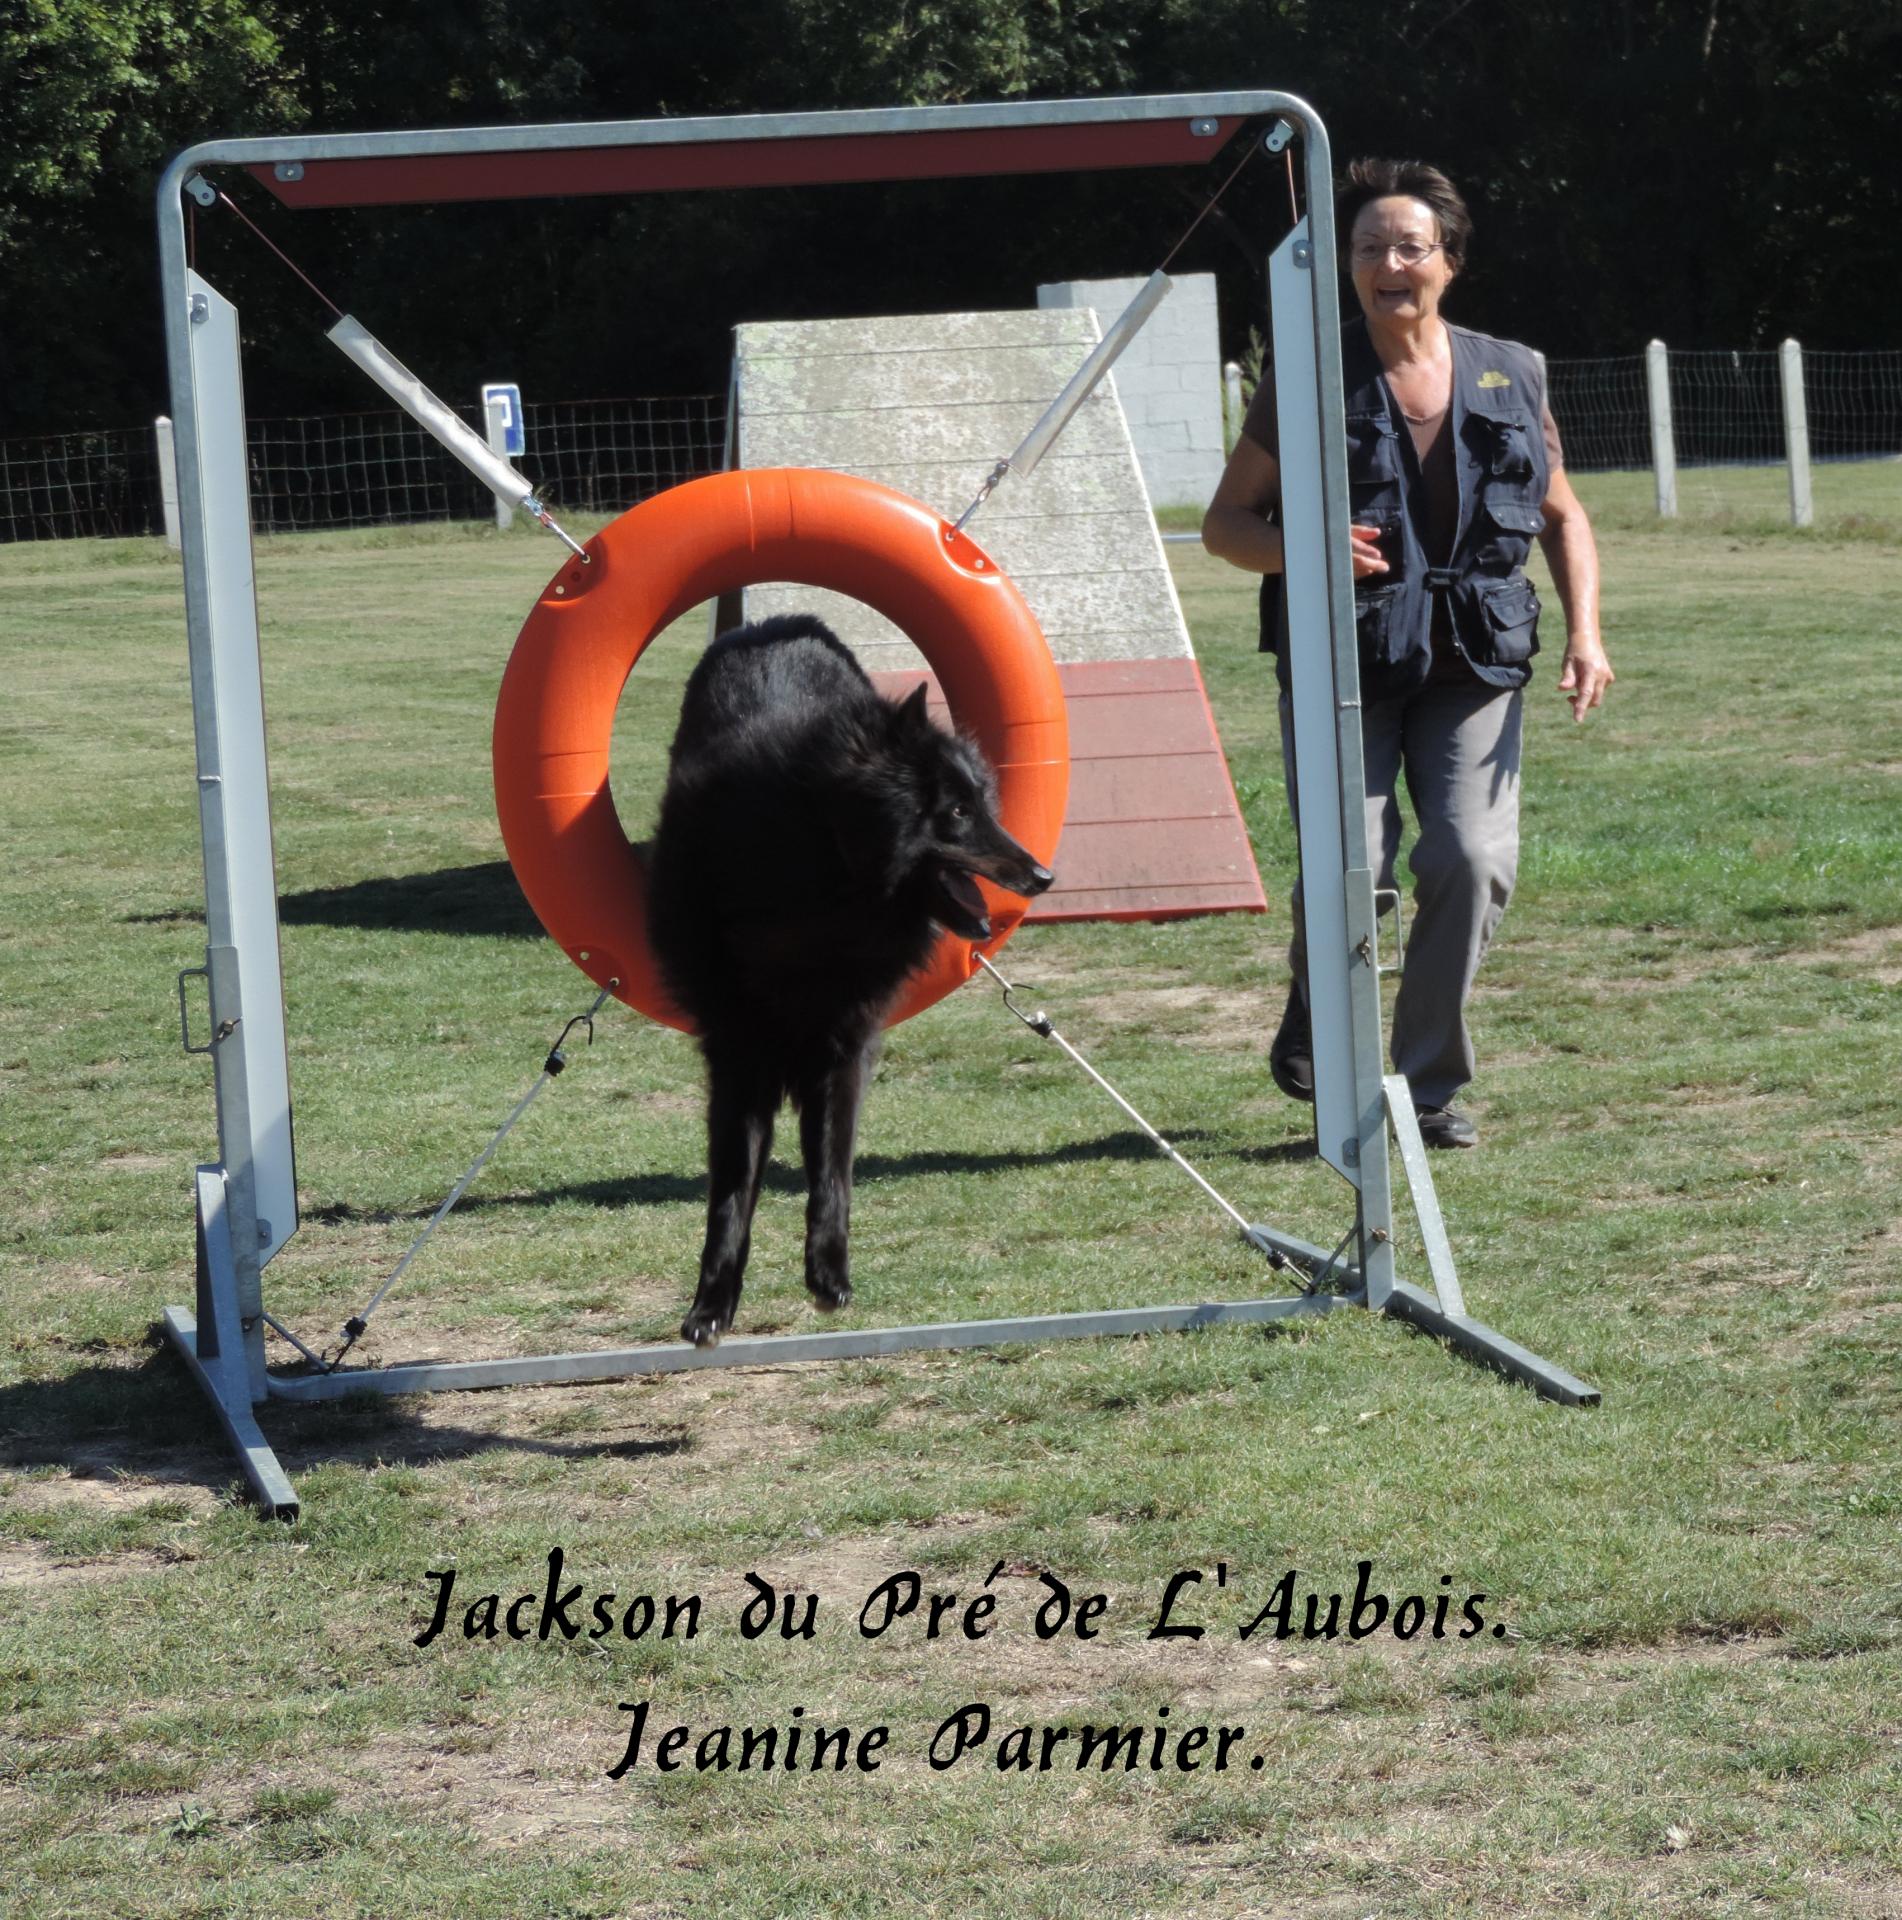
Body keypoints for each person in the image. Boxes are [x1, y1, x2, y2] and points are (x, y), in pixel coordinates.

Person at [1202, 157, 1613, 1150]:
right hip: (1345, 660)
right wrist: (1303, 547)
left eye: (1410, 247)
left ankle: (1424, 1092)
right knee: (1354, 869)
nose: (1389, 262)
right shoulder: (1303, 377)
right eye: (1368, 248)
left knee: (1468, 858)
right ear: (1344, 265)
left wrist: (1587, 634)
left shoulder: (1511, 369)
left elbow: (1564, 518)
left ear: (1449, 261)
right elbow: (1226, 525)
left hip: (1471, 662)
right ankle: (1326, 1023)